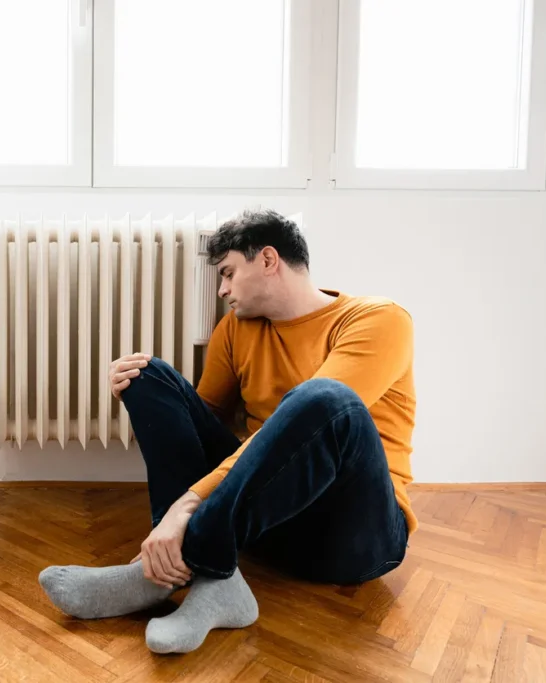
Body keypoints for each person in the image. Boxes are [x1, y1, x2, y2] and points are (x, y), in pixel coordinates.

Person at [38, 207, 416, 654]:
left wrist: (189, 503)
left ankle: (153, 573)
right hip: (268, 525)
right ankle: (192, 574)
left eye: (229, 273)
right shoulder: (236, 329)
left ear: (269, 260)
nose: (222, 290)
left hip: (356, 536)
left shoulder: (377, 319)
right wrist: (135, 390)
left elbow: (319, 417)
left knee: (324, 399)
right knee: (149, 374)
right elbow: (203, 424)